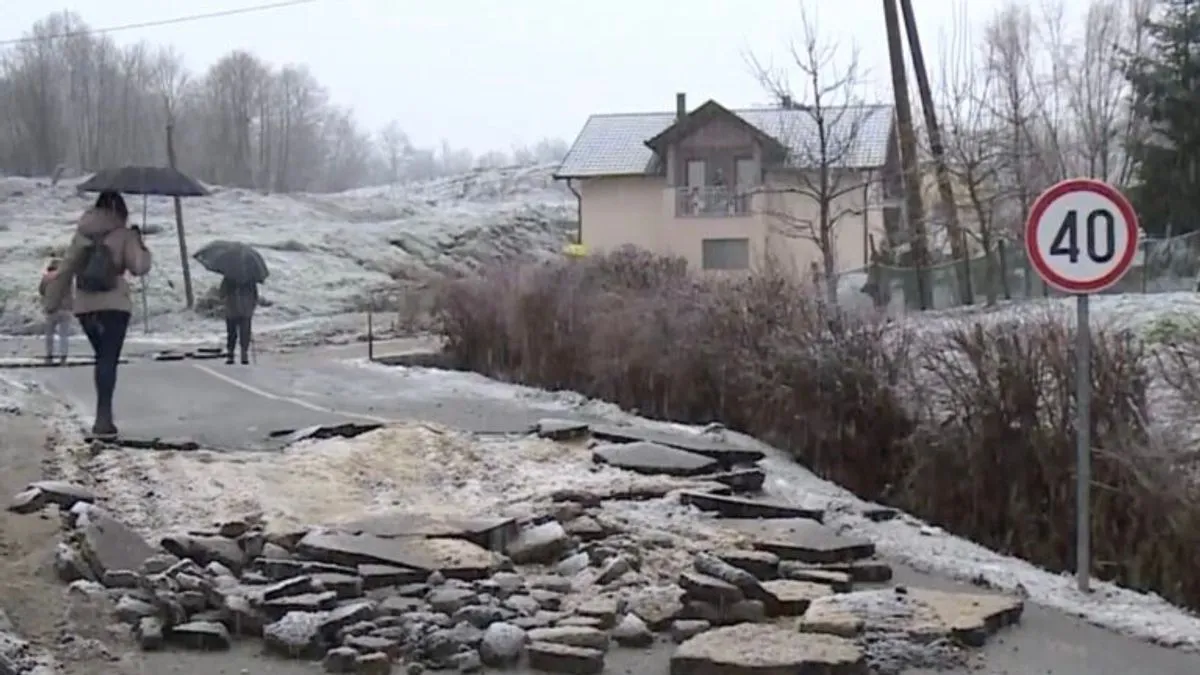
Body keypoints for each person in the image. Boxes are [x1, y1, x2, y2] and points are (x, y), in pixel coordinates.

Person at [43, 191, 152, 438]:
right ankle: (104, 419)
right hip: (115, 306)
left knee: (101, 356)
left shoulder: (81, 236)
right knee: (108, 359)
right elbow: (139, 267)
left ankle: (102, 418)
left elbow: (65, 269)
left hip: (85, 308)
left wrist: (51, 303)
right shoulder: (124, 235)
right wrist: (140, 244)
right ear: (120, 210)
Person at [38, 257, 72, 365]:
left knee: (49, 335)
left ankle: (49, 356)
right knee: (64, 335)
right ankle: (63, 358)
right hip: (65, 309)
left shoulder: (46, 278)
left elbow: (41, 291)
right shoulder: (66, 277)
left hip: (51, 308)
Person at [219, 275, 258, 365]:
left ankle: (232, 354)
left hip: (233, 309)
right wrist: (252, 306)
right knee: (242, 333)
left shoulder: (229, 277)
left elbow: (221, 294)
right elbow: (255, 296)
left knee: (233, 333)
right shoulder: (250, 279)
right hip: (243, 310)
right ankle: (242, 354)